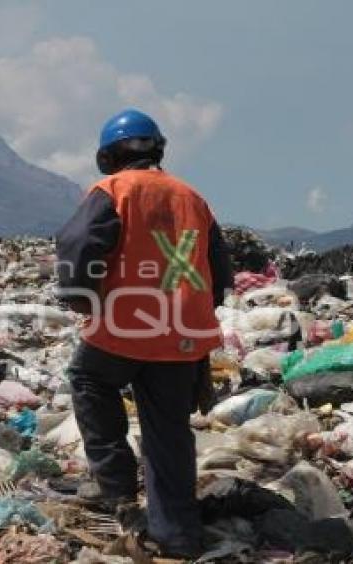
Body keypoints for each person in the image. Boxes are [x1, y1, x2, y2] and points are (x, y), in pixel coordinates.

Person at [55, 109, 233, 558]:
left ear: (108, 155)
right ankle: (177, 536)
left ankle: (115, 489)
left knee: (89, 380)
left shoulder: (112, 190)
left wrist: (80, 298)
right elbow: (220, 271)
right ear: (157, 149)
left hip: (122, 326)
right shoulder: (192, 197)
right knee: (169, 430)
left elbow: (79, 246)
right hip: (181, 336)